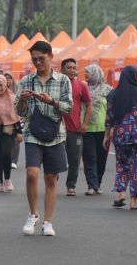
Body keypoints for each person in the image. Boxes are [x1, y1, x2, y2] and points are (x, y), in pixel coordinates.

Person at [15, 41, 72, 236]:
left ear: (51, 56)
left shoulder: (63, 80)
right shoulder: (25, 81)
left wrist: (51, 101)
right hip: (32, 131)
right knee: (32, 173)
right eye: (34, 60)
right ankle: (33, 215)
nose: (38, 62)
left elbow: (69, 107)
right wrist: (22, 100)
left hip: (56, 133)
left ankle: (48, 222)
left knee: (50, 177)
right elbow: (19, 111)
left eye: (41, 58)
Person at [104, 66, 137, 210]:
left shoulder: (114, 94)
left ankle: (121, 193)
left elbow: (109, 117)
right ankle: (133, 201)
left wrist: (106, 135)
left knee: (121, 164)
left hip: (120, 136)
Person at [60, 58, 92, 196]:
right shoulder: (56, 85)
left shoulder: (81, 85)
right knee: (54, 158)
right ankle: (52, 179)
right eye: (69, 68)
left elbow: (89, 105)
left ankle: (71, 186)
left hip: (75, 130)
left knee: (74, 159)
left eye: (74, 68)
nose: (72, 70)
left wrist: (85, 123)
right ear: (62, 69)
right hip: (57, 129)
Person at [81, 64, 113, 195]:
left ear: (95, 73)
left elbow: (112, 110)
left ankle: (97, 184)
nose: (85, 75)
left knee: (101, 159)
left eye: (88, 72)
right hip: (86, 129)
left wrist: (111, 128)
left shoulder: (108, 90)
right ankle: (91, 185)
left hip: (103, 130)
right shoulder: (83, 88)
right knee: (89, 158)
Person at [5, 73, 21, 169]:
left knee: (16, 140)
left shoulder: (18, 90)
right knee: (6, 139)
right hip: (5, 119)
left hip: (17, 118)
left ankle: (14, 161)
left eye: (9, 78)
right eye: (5, 78)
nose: (8, 81)